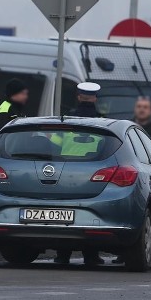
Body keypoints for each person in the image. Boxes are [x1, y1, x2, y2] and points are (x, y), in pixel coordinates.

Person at [113, 96, 151, 265]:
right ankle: (123, 253)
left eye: (145, 106)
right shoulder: (126, 130)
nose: (141, 109)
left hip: (150, 180)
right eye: (139, 106)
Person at [54, 82, 105, 266]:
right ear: (95, 98)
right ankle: (91, 256)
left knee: (64, 213)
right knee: (89, 213)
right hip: (91, 171)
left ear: (78, 97)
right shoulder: (102, 121)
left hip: (65, 170)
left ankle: (62, 255)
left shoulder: (67, 119)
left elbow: (54, 143)